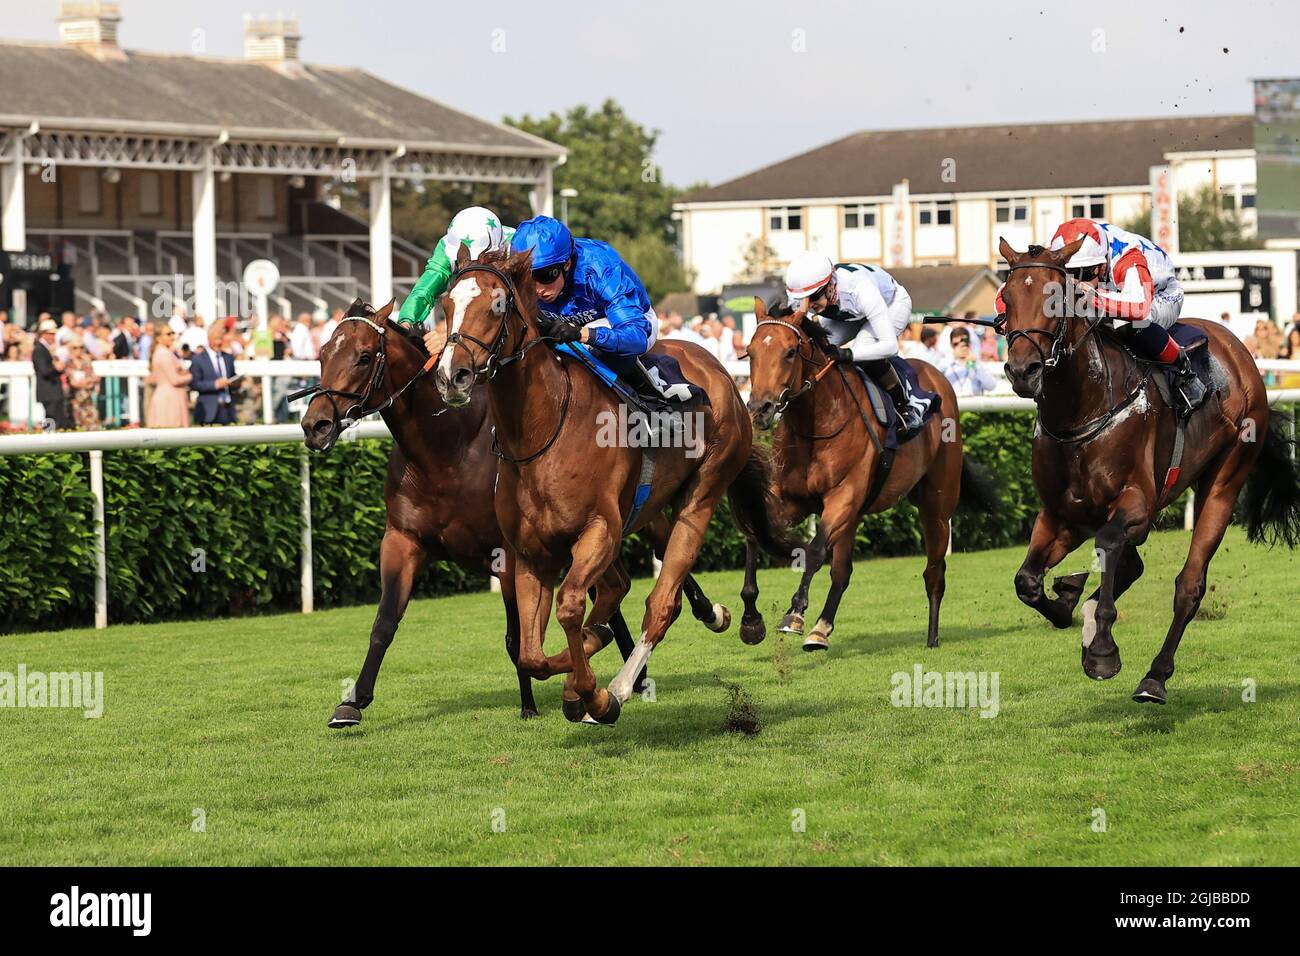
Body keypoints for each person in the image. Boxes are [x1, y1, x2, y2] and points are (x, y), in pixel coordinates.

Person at [1046, 218, 1206, 415]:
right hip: (1114, 289)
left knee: (1126, 322)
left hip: (1159, 296)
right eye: (1069, 274)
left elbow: (1140, 308)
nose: (1078, 281)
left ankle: (1184, 372)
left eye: (1086, 274)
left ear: (1101, 266)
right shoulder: (1059, 247)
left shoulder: (1128, 258)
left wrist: (1091, 296)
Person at [508, 215, 666, 400]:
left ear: (566, 264)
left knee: (594, 351)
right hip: (567, 326)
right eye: (529, 277)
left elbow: (636, 337)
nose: (538, 289)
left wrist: (583, 334)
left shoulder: (600, 270)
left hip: (629, 323)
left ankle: (652, 404)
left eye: (546, 276)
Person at [783, 251, 924, 432]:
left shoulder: (860, 289)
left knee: (863, 349)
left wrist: (848, 353)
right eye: (803, 299)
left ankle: (906, 407)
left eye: (814, 297)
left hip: (891, 304)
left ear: (830, 285)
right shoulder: (804, 293)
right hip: (850, 313)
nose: (808, 304)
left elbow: (890, 346)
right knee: (816, 348)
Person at [397, 206, 514, 355]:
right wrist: (404, 326)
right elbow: (424, 290)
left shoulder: (516, 244)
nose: (473, 268)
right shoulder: (447, 247)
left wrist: (449, 333)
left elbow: (506, 305)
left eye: (481, 260)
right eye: (465, 261)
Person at [191, 324, 239, 425]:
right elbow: (194, 384)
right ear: (209, 339)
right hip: (208, 409)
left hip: (227, 408)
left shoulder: (228, 358)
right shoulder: (198, 359)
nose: (219, 342)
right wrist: (215, 384)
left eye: (221, 339)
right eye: (216, 339)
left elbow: (232, 378)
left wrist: (236, 382)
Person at [146, 325, 192, 427]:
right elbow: (174, 380)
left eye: (172, 333)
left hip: (168, 397)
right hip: (169, 400)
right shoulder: (164, 354)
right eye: (168, 334)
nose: (172, 336)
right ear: (158, 338)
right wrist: (190, 376)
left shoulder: (165, 352)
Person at [31, 318, 69, 430]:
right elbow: (44, 371)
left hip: (52, 392)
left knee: (54, 420)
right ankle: (48, 443)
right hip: (49, 392)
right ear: (44, 334)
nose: (53, 336)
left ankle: (49, 442)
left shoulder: (45, 349)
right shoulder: (39, 349)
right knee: (52, 420)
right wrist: (56, 368)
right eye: (51, 333)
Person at [943, 328, 997, 397]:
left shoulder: (977, 363)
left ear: (969, 343)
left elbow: (991, 386)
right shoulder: (946, 362)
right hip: (953, 404)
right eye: (956, 344)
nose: (961, 346)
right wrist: (953, 357)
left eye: (964, 342)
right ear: (951, 345)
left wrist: (976, 365)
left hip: (974, 405)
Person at [64, 336, 101, 430]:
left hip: (88, 400)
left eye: (81, 347)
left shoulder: (86, 362)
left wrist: (86, 382)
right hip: (75, 400)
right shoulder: (69, 363)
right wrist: (86, 382)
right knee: (78, 425)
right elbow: (73, 383)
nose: (79, 350)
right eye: (75, 347)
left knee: (93, 425)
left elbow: (95, 378)